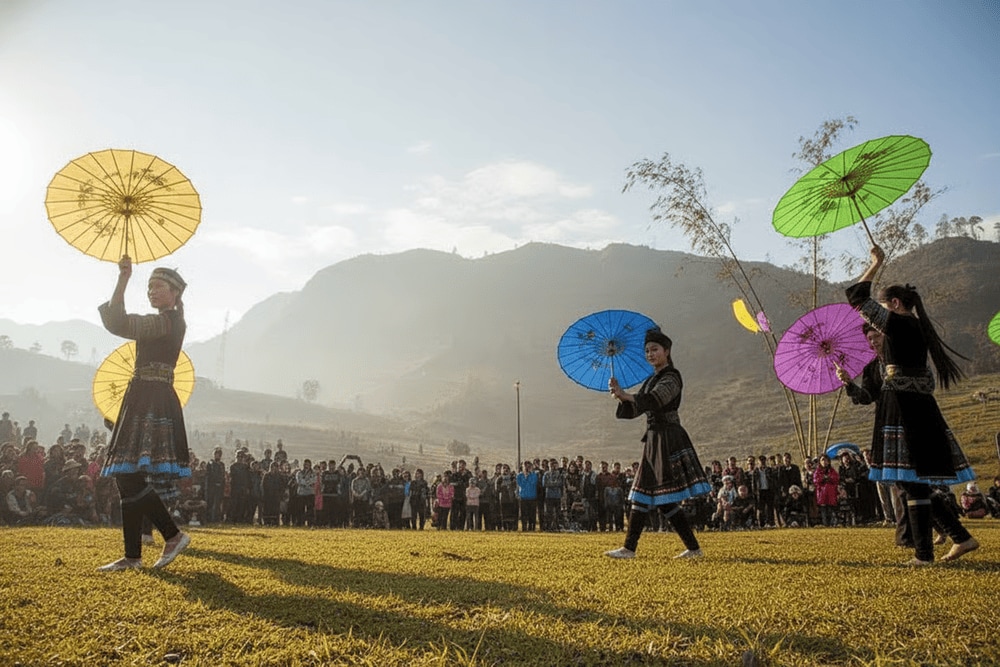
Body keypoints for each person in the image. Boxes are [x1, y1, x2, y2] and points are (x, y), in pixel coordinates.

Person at [846, 244, 978, 565]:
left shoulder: (900, 324)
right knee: (912, 481)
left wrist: (875, 264)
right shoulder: (915, 328)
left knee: (911, 481)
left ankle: (926, 554)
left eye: (883, 307)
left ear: (894, 304)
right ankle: (959, 538)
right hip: (915, 405)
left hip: (904, 406)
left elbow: (857, 299)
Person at [97, 257, 191, 571]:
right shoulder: (165, 321)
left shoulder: (167, 321)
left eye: (157, 286)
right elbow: (119, 322)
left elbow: (119, 323)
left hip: (151, 398)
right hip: (141, 396)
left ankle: (172, 535)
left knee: (128, 473)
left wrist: (124, 278)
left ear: (174, 293)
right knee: (126, 476)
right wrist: (124, 279)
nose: (151, 291)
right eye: (148, 286)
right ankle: (133, 556)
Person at [605, 327, 711, 559]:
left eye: (654, 350)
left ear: (667, 351)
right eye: (647, 351)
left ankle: (631, 548)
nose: (650, 354)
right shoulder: (651, 379)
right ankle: (690, 548)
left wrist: (627, 395)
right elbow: (636, 407)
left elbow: (656, 399)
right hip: (653, 439)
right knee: (654, 496)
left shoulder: (672, 376)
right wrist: (621, 396)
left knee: (659, 495)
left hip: (668, 437)